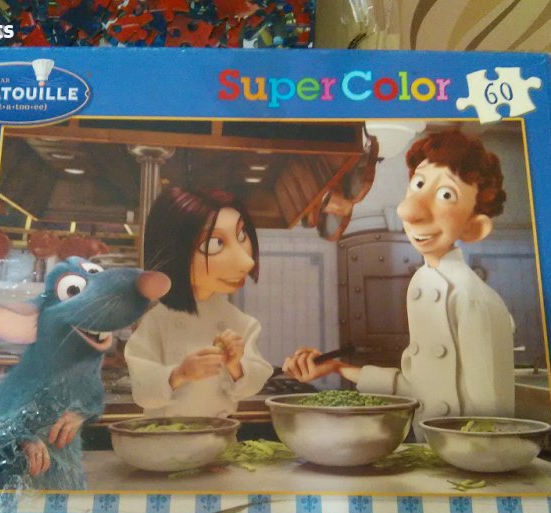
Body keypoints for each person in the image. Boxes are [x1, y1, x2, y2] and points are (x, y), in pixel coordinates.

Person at [283, 129, 515, 439]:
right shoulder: (423, 282)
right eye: (418, 185)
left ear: (473, 228)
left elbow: (492, 418)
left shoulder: (473, 300)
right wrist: (336, 368)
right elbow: (416, 386)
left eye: (446, 194)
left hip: (467, 458)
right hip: (432, 451)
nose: (409, 210)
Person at [125, 188, 273, 418]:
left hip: (220, 434)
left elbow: (255, 381)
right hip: (164, 435)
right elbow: (141, 389)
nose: (247, 261)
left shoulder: (241, 323)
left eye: (242, 235)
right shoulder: (157, 321)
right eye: (215, 243)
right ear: (174, 250)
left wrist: (236, 366)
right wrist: (179, 374)